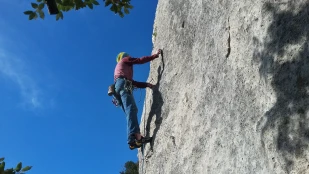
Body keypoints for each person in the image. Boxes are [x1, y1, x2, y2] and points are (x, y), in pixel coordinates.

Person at [113, 49, 162, 150]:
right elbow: (139, 60)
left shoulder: (121, 70)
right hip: (123, 85)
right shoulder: (125, 60)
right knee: (131, 109)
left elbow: (134, 83)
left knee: (131, 111)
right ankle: (133, 138)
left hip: (118, 88)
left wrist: (147, 85)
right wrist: (154, 56)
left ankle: (136, 137)